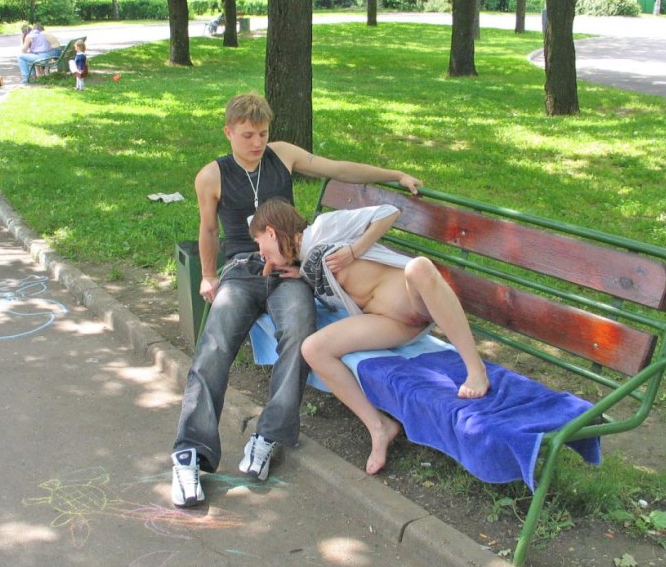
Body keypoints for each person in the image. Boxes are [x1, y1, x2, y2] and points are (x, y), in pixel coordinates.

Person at [170, 91, 423, 508]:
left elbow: (337, 168)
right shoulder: (211, 176)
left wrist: (393, 174)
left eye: (263, 134)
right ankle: (191, 452)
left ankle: (270, 434)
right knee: (215, 344)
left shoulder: (281, 155)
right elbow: (209, 230)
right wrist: (209, 275)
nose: (256, 143)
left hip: (291, 269)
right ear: (228, 132)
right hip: (242, 270)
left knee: (300, 336)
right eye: (248, 135)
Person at [248, 198, 490, 476]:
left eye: (259, 242)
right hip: (389, 323)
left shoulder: (325, 227)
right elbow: (328, 278)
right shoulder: (306, 267)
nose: (260, 251)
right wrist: (300, 274)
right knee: (313, 348)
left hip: (414, 298)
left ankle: (475, 369)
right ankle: (379, 427)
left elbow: (389, 213)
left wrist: (355, 250)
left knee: (420, 267)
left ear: (270, 231)